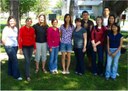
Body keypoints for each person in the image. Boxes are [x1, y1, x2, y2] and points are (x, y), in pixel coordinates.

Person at [2, 16, 22, 80]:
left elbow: (15, 38)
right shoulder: (6, 28)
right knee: (15, 60)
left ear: (15, 22)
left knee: (11, 60)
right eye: (10, 21)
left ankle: (10, 72)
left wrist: (18, 45)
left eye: (13, 21)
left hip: (15, 46)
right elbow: (3, 39)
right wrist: (6, 46)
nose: (12, 22)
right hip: (9, 46)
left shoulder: (16, 28)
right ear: (8, 22)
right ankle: (17, 76)